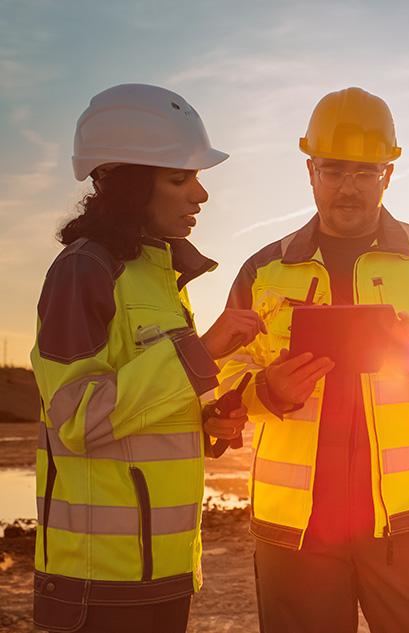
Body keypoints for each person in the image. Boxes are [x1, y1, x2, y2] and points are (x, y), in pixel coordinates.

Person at [219, 86, 409, 632]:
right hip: (296, 531)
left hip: (406, 527)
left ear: (387, 175)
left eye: (365, 173)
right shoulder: (262, 271)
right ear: (311, 172)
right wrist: (265, 390)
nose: (349, 187)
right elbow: (220, 378)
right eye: (334, 170)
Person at [31, 83, 264, 633]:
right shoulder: (82, 271)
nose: (199, 195)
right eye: (180, 178)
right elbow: (76, 418)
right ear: (132, 185)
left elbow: (144, 411)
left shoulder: (161, 279)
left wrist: (209, 420)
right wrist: (199, 353)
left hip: (166, 570)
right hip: (97, 583)